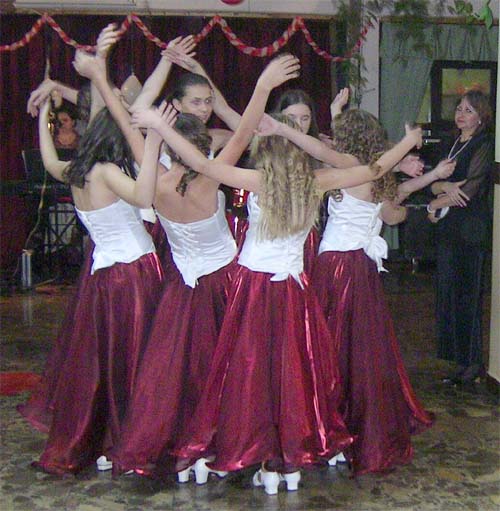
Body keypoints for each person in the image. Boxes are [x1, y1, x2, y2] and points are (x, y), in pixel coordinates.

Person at [139, 66, 423, 493]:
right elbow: (375, 168)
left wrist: (161, 128)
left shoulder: (255, 180)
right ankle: (287, 463)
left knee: (249, 372)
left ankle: (256, 451)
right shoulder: (317, 181)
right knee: (292, 374)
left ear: (266, 154)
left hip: (252, 288)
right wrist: (407, 142)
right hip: (293, 289)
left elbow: (199, 163)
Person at [276, 108, 439, 475]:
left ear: (347, 138)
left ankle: (331, 426)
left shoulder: (351, 165)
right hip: (360, 265)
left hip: (337, 263)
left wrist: (284, 131)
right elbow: (393, 214)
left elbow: (320, 151)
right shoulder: (375, 172)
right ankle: (351, 423)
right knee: (360, 346)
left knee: (330, 345)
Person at [18, 85, 165, 475]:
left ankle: (110, 439)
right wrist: (153, 141)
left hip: (103, 278)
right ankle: (129, 440)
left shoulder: (76, 171)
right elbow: (145, 197)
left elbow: (49, 159)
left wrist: (44, 121)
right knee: (136, 360)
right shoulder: (105, 172)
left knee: (109, 361)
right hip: (133, 273)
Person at [427, 90, 494, 385]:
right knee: (448, 293)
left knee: (468, 295)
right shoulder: (450, 143)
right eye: (459, 108)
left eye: (468, 110)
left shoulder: (484, 143)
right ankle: (458, 359)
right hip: (448, 228)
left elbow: (469, 191)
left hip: (470, 230)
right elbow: (431, 183)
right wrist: (441, 189)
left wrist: (435, 203)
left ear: (481, 117)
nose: (461, 114)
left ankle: (473, 363)